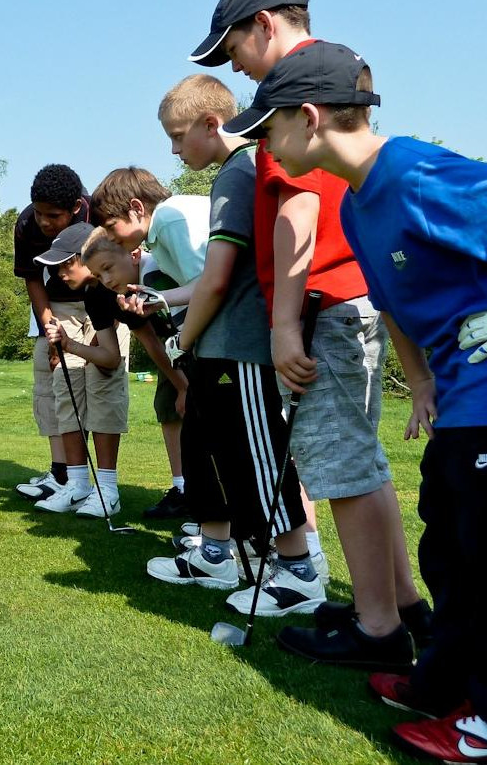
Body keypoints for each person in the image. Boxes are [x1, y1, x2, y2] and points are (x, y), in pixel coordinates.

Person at [224, 39, 487, 764]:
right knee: (450, 551)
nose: (264, 145)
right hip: (463, 399)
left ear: (309, 119)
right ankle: (447, 684)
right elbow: (393, 302)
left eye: (269, 128)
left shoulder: (414, 173)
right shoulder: (361, 203)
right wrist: (421, 381)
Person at [190, 0, 429, 668]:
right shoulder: (337, 75)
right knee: (362, 463)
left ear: (264, 25)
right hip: (349, 298)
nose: (236, 67)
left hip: (322, 303)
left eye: (233, 48)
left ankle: (378, 630)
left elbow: (299, 212)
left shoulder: (292, 100)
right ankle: (400, 604)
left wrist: (284, 325)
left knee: (340, 467)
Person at [140, 73, 325, 610]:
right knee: (212, 452)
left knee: (255, 459)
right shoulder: (238, 170)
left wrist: (183, 338)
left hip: (240, 346)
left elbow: (219, 278)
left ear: (211, 123)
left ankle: (297, 572)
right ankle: (217, 556)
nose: (174, 150)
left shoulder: (240, 172)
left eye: (178, 137)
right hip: (221, 346)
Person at [90, 168, 209, 520]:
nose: (105, 280)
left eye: (112, 226)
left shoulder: (168, 221)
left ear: (136, 209)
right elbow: (155, 340)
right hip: (191, 352)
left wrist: (186, 365)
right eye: (98, 275)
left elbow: (207, 284)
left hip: (213, 347)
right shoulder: (155, 242)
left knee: (220, 432)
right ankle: (204, 513)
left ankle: (225, 525)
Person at [33, 223, 177, 517]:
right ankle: (81, 486)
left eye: (65, 264)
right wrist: (69, 344)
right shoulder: (94, 294)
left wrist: (184, 387)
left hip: (188, 344)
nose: (59, 274)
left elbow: (151, 343)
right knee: (70, 383)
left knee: (105, 386)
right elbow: (110, 356)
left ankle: (110, 491)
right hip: (175, 349)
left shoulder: (127, 283)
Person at [12, 165, 92, 502]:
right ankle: (61, 474)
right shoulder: (26, 224)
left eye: (53, 215)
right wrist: (49, 328)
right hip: (55, 305)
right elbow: (33, 279)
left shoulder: (97, 213)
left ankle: (92, 481)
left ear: (75, 207)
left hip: (99, 303)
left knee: (91, 388)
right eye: (39, 212)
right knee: (50, 384)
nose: (44, 222)